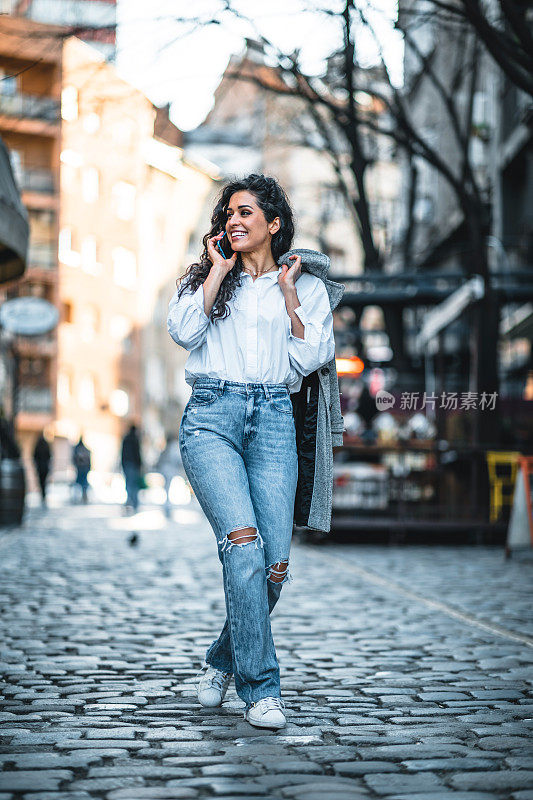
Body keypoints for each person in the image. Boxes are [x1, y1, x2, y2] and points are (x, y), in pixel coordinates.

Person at [167, 174, 338, 730]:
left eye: (246, 214)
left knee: (273, 567)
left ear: (274, 223)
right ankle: (262, 689)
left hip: (273, 421)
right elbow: (183, 331)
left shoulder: (306, 286)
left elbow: (310, 355)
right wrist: (217, 271)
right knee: (242, 544)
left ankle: (222, 659)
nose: (234, 222)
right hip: (211, 418)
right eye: (229, 214)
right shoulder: (206, 279)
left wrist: (289, 296)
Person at [156, 433, 185, 516]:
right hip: (171, 471)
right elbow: (177, 459)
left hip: (164, 470)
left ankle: (167, 507)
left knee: (167, 489)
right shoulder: (173, 447)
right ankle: (168, 507)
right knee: (170, 489)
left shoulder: (166, 448)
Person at [121, 424, 142, 513]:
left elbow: (122, 453)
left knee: (129, 484)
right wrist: (140, 464)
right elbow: (137, 453)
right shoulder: (135, 439)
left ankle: (129, 501)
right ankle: (134, 503)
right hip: (134, 465)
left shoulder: (126, 439)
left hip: (127, 464)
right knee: (134, 485)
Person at [33, 431, 51, 506]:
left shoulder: (38, 445)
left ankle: (43, 494)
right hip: (44, 466)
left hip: (40, 467)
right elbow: (49, 455)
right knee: (44, 481)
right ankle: (43, 494)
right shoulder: (45, 444)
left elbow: (34, 456)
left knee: (41, 481)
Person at [72, 436, 91, 503]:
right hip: (82, 468)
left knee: (81, 483)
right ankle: (82, 496)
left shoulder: (77, 449)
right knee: (82, 483)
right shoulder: (84, 449)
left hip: (81, 468)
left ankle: (81, 496)